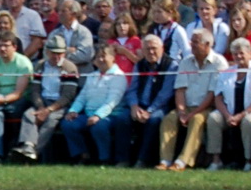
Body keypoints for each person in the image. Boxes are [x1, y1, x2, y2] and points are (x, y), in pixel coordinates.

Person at [157, 29, 227, 169]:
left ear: (207, 44)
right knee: (169, 118)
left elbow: (212, 94)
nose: (191, 45)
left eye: (195, 42)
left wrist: (192, 114)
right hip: (186, 106)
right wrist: (182, 112)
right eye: (191, 41)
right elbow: (180, 90)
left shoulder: (219, 63)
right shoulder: (186, 62)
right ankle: (165, 160)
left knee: (197, 120)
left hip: (207, 107)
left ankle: (183, 161)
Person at [11, 34, 79, 162]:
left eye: (60, 53)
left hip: (60, 104)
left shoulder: (70, 68)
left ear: (64, 53)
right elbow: (35, 91)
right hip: (42, 101)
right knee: (29, 115)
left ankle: (33, 152)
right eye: (53, 53)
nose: (56, 56)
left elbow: (68, 96)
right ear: (47, 52)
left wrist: (49, 110)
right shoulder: (40, 66)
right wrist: (41, 107)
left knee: (50, 121)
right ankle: (28, 146)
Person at [60, 42, 129, 165]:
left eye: (104, 56)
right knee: (68, 124)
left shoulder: (118, 76)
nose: (101, 59)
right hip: (88, 114)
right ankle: (82, 155)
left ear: (113, 58)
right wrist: (73, 110)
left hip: (110, 115)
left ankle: (104, 159)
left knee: (99, 126)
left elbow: (112, 101)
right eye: (98, 57)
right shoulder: (92, 75)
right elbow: (82, 96)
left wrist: (98, 116)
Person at [207, 38, 251, 170]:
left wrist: (241, 115)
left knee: (249, 121)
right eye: (235, 54)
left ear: (250, 53)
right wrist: (227, 115)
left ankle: (248, 160)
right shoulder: (227, 72)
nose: (238, 56)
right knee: (213, 118)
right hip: (229, 113)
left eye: (241, 53)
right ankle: (216, 160)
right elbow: (218, 97)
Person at [124, 34, 176, 168]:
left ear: (162, 48)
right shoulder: (139, 65)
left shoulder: (171, 65)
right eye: (147, 49)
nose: (151, 52)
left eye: (154, 48)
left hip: (160, 106)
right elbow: (132, 89)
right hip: (140, 104)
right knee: (122, 119)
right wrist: (134, 106)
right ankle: (122, 159)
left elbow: (166, 94)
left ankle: (143, 159)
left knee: (154, 120)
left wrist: (150, 111)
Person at [0, 32, 33, 163]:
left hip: (19, 101)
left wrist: (2, 100)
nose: (2, 49)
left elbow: (19, 93)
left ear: (14, 47)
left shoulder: (23, 63)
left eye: (6, 45)